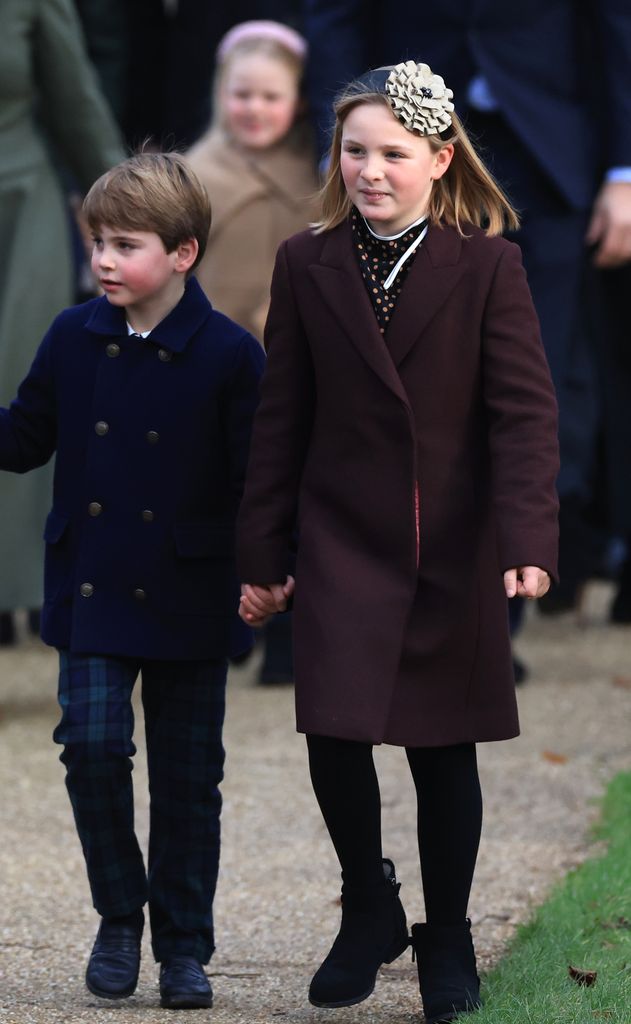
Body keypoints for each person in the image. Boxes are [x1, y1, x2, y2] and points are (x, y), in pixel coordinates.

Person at [236, 63, 559, 1023]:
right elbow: (280, 412)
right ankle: (369, 901)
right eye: (353, 151)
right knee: (331, 727)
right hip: (339, 531)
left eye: (392, 154)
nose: (369, 170)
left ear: (439, 159)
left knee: (439, 747)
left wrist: (528, 531)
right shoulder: (308, 261)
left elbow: (523, 412)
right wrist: (264, 548)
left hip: (449, 542)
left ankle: (447, 932)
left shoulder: (486, 264)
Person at [0, 153, 264, 1010]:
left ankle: (184, 947)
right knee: (91, 747)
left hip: (191, 587)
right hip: (94, 583)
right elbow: (23, 438)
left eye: (125, 244)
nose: (104, 260)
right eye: (96, 243)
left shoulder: (228, 353)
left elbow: (254, 479)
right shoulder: (72, 337)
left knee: (189, 780)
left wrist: (267, 571)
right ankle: (121, 916)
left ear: (183, 253)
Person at [302, 0, 631, 649]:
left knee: (532, 384)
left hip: (548, 149)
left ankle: (494, 617)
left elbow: (615, 22)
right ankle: (412, 605)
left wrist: (624, 170)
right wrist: (339, 151)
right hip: (401, 150)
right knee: (412, 379)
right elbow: (336, 17)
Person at [186, 19, 319, 685]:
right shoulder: (190, 175)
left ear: (298, 100)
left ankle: (292, 638)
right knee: (216, 493)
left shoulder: (323, 173)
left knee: (291, 496)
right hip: (214, 367)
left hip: (297, 366)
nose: (255, 109)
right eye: (242, 95)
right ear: (220, 94)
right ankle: (224, 627)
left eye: (271, 96)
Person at [0, 0, 125, 645]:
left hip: (17, 217)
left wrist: (132, 219)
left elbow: (78, 105)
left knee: (15, 397)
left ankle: (15, 589)